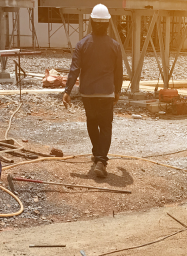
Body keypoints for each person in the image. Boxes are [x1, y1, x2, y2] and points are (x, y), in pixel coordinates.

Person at [62, 3, 123, 179]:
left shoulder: (82, 45)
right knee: (105, 126)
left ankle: (98, 156)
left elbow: (74, 69)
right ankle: (101, 161)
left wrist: (67, 91)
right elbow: (118, 72)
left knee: (92, 122)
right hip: (106, 93)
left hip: (87, 93)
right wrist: (117, 91)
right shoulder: (115, 46)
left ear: (91, 21)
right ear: (108, 23)